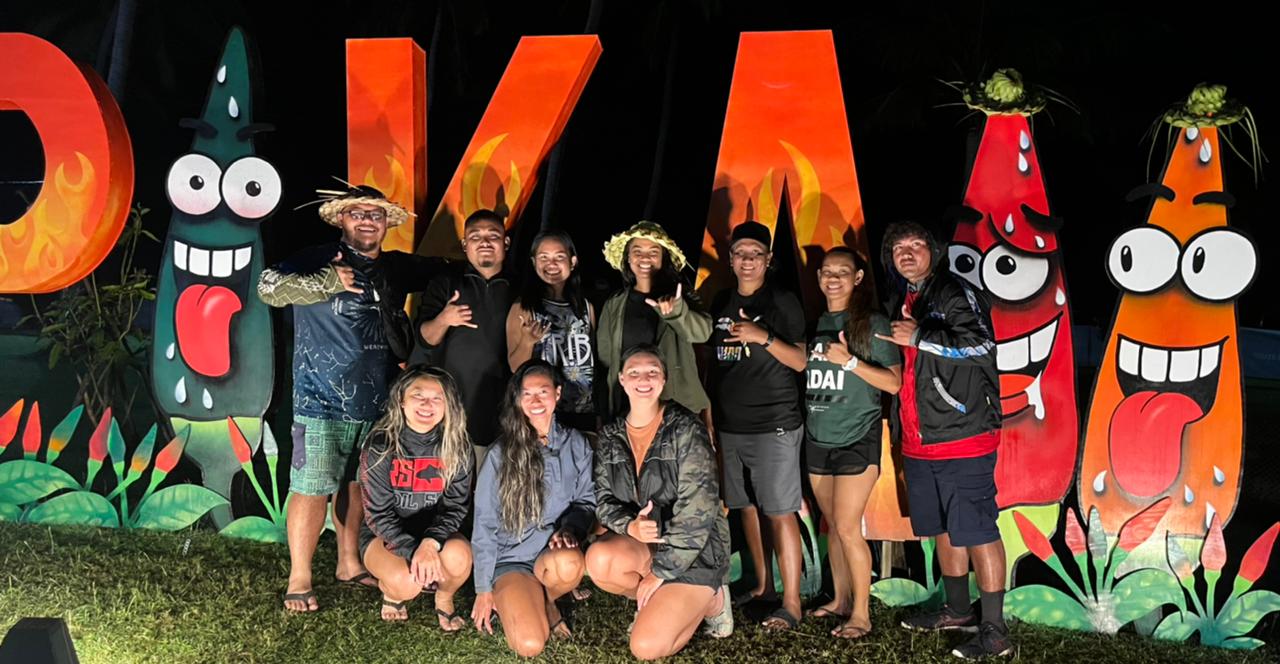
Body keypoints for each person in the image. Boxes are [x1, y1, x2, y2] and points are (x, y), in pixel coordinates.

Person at [258, 185, 446, 613]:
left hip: (380, 403)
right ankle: (300, 576)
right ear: (342, 219)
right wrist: (323, 283)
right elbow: (268, 289)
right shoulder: (315, 259)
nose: (367, 221)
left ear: (386, 224)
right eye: (358, 214)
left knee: (358, 483)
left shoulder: (395, 269)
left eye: (375, 215)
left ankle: (348, 562)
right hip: (318, 399)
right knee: (310, 488)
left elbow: (443, 270)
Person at [877, 221, 1010, 659]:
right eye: (899, 248)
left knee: (977, 530)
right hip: (918, 439)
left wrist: (920, 336)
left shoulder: (955, 292)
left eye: (917, 244)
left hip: (964, 435)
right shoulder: (903, 297)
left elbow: (981, 346)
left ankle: (995, 630)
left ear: (934, 250)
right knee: (943, 530)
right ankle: (956, 610)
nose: (908, 252)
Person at [585, 344, 733, 660]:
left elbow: (698, 511)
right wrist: (630, 527)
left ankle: (714, 598)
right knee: (600, 559)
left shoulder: (686, 428)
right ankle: (663, 601)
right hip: (647, 544)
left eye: (652, 372)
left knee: (645, 647)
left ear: (663, 380)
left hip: (695, 552)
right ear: (622, 380)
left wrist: (661, 573)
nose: (644, 379)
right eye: (634, 372)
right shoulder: (611, 436)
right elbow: (603, 501)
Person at [703, 221, 808, 630]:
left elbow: (800, 361)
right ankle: (765, 587)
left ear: (768, 259)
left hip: (774, 423)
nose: (747, 260)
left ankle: (793, 603)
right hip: (730, 425)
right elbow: (711, 363)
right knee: (745, 506)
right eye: (740, 253)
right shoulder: (720, 302)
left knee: (780, 511)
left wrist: (762, 336)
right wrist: (710, 412)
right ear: (731, 260)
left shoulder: (782, 302)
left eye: (755, 253)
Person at [804, 247, 902, 639]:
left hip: (856, 438)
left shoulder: (873, 324)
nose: (833, 279)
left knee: (847, 527)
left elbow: (893, 382)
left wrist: (848, 361)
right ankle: (840, 599)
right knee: (833, 527)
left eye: (842, 272)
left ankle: (861, 614)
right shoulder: (818, 323)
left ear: (858, 278)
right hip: (818, 439)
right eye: (827, 272)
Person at [470, 361, 596, 656]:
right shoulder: (501, 453)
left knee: (569, 562)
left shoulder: (576, 444)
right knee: (530, 645)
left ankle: (548, 600)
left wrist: (570, 528)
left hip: (550, 556)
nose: (536, 401)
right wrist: (482, 589)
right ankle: (526, 599)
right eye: (527, 394)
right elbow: (485, 521)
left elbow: (586, 500)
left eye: (543, 391)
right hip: (511, 560)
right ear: (517, 399)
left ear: (558, 393)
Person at [358, 366, 474, 630]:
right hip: (385, 536)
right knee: (406, 583)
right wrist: (413, 551)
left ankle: (444, 597)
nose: (426, 404)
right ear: (401, 400)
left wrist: (430, 544)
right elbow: (377, 514)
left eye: (437, 398)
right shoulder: (380, 444)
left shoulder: (458, 445)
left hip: (435, 533)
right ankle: (391, 591)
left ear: (448, 405)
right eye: (418, 395)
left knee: (460, 556)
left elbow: (456, 507)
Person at [412, 209, 515, 467]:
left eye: (493, 235)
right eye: (475, 236)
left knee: (490, 497)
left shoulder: (521, 286)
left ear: (506, 242)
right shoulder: (446, 282)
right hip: (450, 415)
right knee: (449, 494)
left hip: (503, 416)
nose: (484, 242)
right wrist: (444, 319)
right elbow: (424, 339)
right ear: (464, 245)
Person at [597, 221, 711, 417]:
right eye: (637, 251)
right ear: (628, 257)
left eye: (653, 252)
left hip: (676, 408)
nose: (645, 258)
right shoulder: (614, 304)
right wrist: (603, 411)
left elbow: (703, 333)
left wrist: (676, 312)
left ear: (663, 258)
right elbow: (606, 361)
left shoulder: (681, 296)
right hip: (627, 409)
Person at [505, 231, 597, 432]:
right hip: (541, 412)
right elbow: (515, 367)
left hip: (582, 410)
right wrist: (528, 341)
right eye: (543, 257)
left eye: (559, 257)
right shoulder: (524, 306)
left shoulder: (586, 307)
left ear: (572, 261)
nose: (551, 263)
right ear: (533, 262)